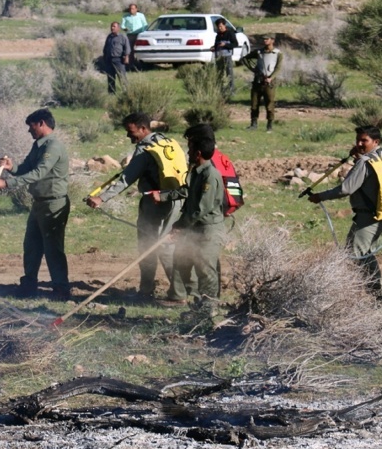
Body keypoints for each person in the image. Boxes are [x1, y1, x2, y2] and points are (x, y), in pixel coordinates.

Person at [86, 113, 185, 301]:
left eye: (131, 132)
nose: (128, 136)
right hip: (175, 201)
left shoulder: (145, 149)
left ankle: (146, 290)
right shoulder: (166, 142)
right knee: (167, 245)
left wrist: (102, 198)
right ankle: (179, 291)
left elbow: (126, 178)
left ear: (143, 129)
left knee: (149, 245)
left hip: (154, 203)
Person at [0, 109, 71, 299]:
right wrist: (12, 168)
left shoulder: (53, 146)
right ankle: (28, 286)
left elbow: (39, 173)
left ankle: (61, 289)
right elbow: (26, 168)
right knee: (32, 246)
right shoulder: (38, 145)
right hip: (39, 204)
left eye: (31, 126)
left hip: (53, 204)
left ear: (41, 123)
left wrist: (7, 183)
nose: (29, 131)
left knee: (53, 249)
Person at [307, 126, 382, 301]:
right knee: (363, 253)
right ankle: (373, 294)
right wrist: (358, 158)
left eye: (364, 141)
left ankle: (374, 298)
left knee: (355, 254)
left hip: (369, 218)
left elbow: (346, 189)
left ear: (376, 142)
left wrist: (319, 196)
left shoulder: (365, 162)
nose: (359, 144)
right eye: (358, 140)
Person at [157, 126, 226, 311]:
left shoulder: (210, 175)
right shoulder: (197, 171)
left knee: (205, 270)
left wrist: (180, 225)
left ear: (197, 153)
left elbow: (200, 209)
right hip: (193, 227)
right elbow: (187, 192)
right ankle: (193, 301)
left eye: (189, 150)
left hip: (207, 230)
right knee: (181, 261)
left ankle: (209, 309)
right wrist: (163, 196)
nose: (187, 153)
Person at [241, 34, 282, 132]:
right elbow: (245, 58)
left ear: (272, 40)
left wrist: (271, 78)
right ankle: (253, 124)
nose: (265, 41)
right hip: (257, 81)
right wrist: (253, 69)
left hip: (269, 83)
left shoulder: (278, 53)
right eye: (263, 39)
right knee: (254, 104)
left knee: (269, 104)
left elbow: (278, 68)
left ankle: (269, 125)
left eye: (267, 39)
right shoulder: (259, 52)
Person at [211, 18, 238, 98]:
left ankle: (231, 91)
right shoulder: (218, 35)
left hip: (227, 56)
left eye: (221, 26)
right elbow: (216, 45)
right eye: (218, 27)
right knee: (219, 74)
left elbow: (235, 44)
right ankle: (220, 91)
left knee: (229, 74)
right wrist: (213, 48)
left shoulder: (230, 33)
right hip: (219, 56)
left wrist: (225, 45)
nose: (219, 28)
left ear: (224, 25)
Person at [103, 21, 130, 94]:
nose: (112, 28)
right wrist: (105, 57)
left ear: (118, 28)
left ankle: (126, 92)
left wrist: (126, 56)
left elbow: (127, 47)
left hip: (119, 60)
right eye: (111, 26)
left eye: (114, 26)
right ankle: (111, 93)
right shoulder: (109, 37)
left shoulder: (122, 36)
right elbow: (105, 48)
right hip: (109, 60)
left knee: (122, 77)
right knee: (110, 77)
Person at [120, 3, 148, 68]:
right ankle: (131, 64)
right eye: (130, 9)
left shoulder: (141, 15)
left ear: (136, 9)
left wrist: (143, 32)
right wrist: (125, 28)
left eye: (133, 9)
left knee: (140, 48)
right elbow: (122, 25)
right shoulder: (125, 16)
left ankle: (142, 62)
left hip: (139, 34)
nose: (131, 10)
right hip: (130, 35)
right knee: (130, 49)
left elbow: (145, 24)